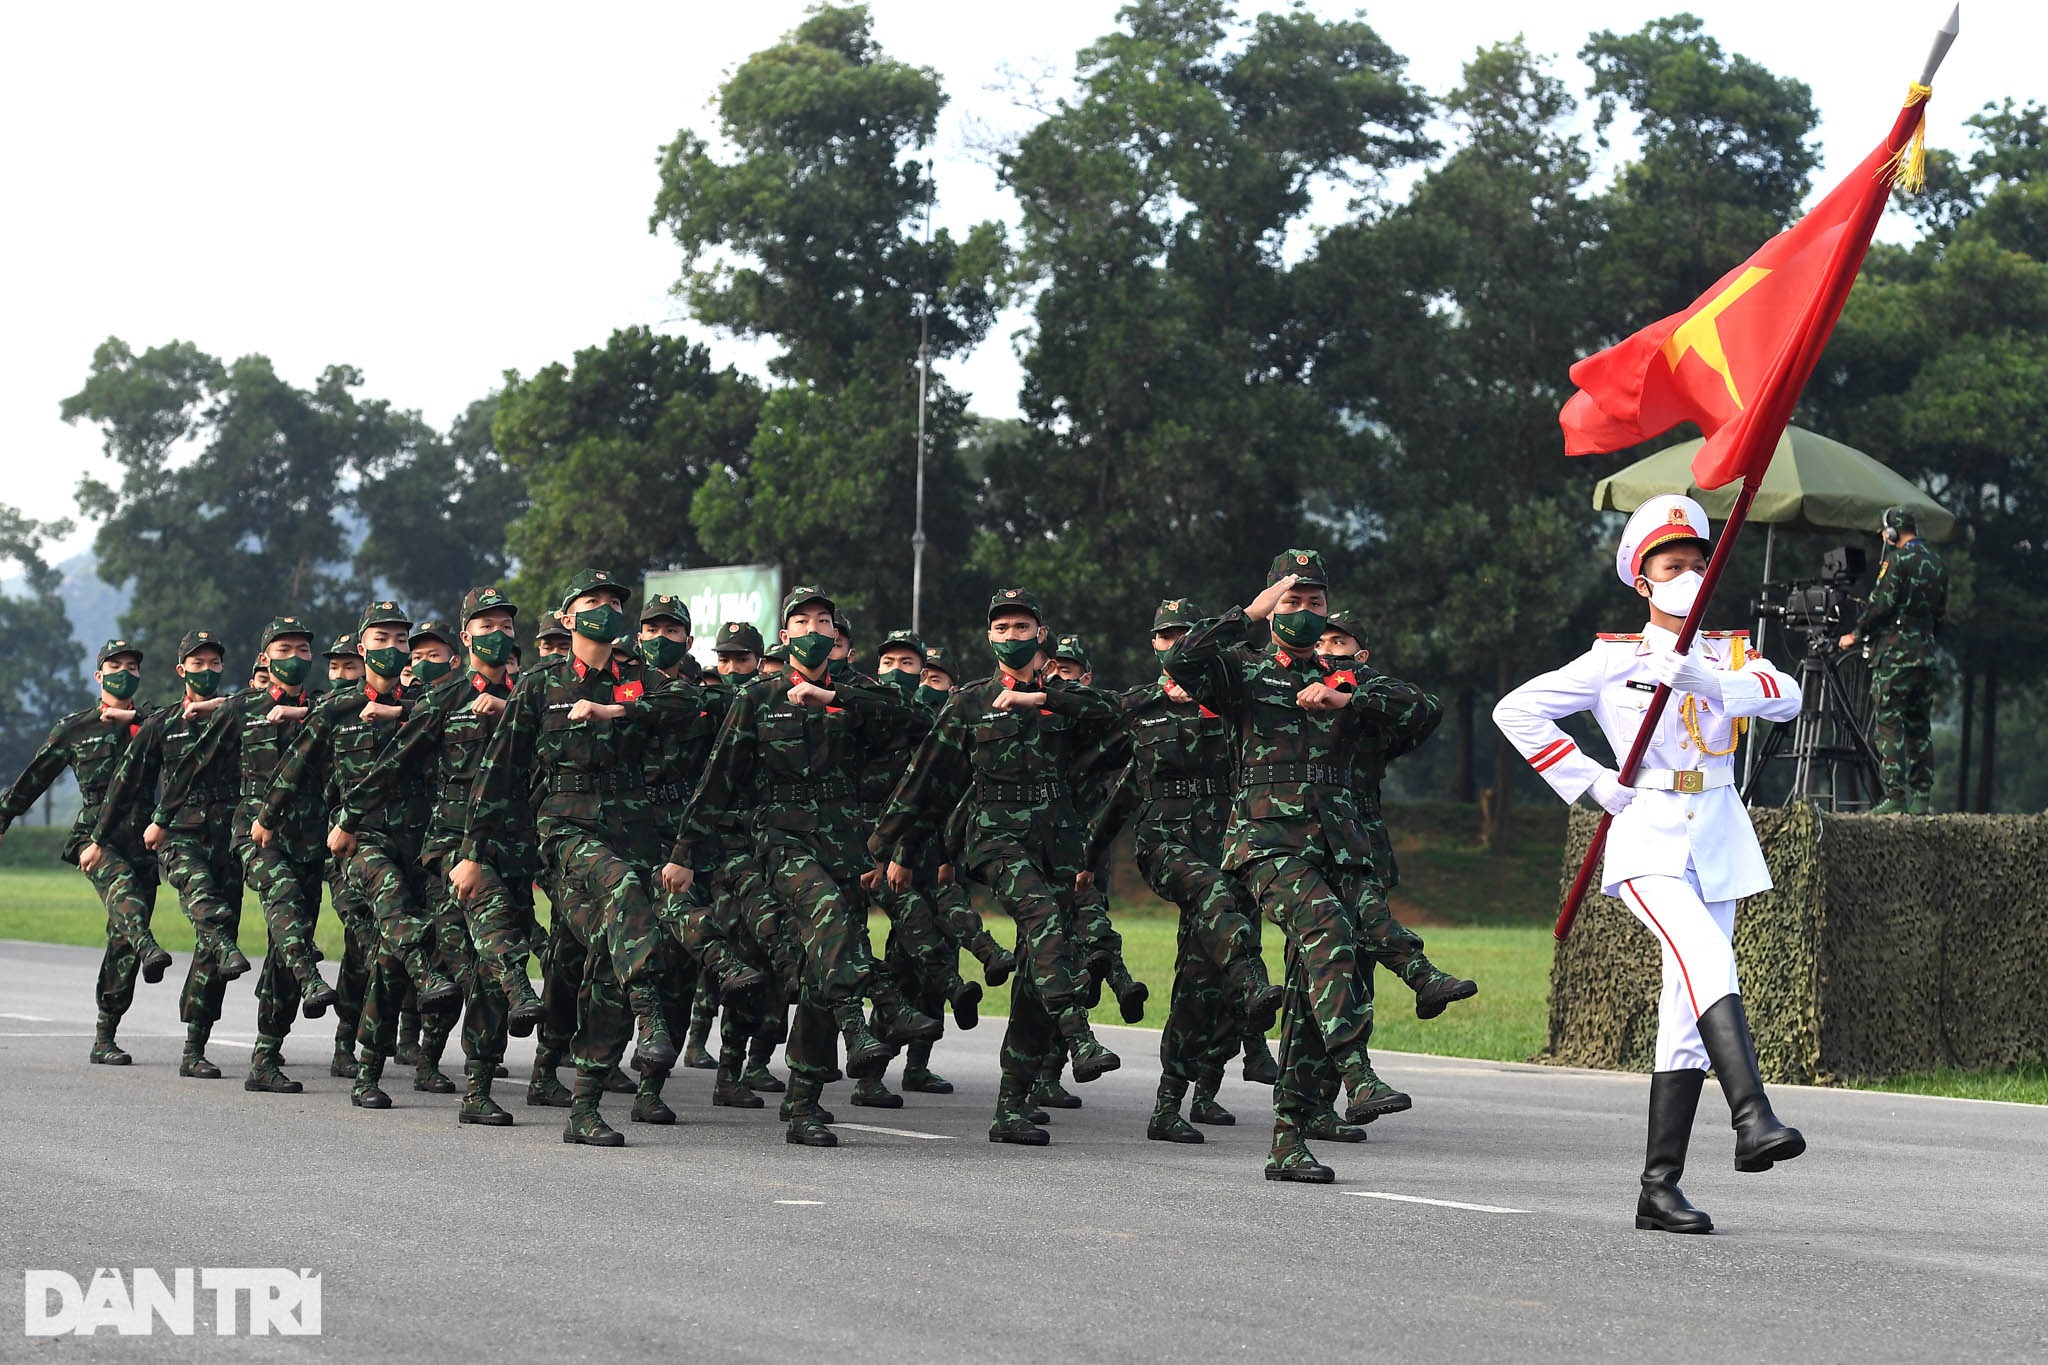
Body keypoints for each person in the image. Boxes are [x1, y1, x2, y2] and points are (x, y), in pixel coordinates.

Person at [1494, 493, 1808, 1234]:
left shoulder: (1729, 651)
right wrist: (1593, 780)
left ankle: (1657, 1187)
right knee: (1704, 953)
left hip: (1720, 834)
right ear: (1642, 579)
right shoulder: (1613, 659)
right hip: (1649, 837)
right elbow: (1518, 710)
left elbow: (1788, 697)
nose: (1689, 575)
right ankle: (1752, 1112)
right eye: (1673, 565)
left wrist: (1715, 683)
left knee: (1686, 1012)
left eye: (1699, 563)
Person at [1162, 551, 1442, 1183]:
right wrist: (1247, 613)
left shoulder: (1343, 680)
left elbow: (1423, 710)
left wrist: (1347, 697)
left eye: (1315, 603)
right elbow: (1183, 661)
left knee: (1311, 984)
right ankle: (1358, 1073)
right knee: (1329, 932)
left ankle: (1288, 1140)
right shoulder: (1243, 672)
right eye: (1292, 601)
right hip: (1264, 843)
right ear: (1271, 610)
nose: (1306, 613)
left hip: (1334, 847)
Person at [666, 586, 936, 1148]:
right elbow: (720, 778)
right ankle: (877, 1009)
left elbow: (917, 721)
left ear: (836, 637)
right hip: (780, 838)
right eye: (801, 621)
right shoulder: (759, 696)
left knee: (822, 966)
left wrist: (836, 697)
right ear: (784, 636)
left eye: (823, 621)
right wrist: (684, 854)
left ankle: (804, 1100)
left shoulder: (858, 694)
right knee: (831, 920)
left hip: (845, 841)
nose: (813, 629)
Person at [874, 587, 1124, 1147]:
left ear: (1042, 634)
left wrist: (1048, 701)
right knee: (1044, 924)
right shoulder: (967, 703)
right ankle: (1079, 1036)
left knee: (1040, 967)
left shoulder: (1067, 699)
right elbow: (925, 781)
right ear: (989, 637)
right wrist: (888, 848)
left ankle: (1012, 1103)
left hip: (1058, 846)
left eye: (1022, 627)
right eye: (1002, 629)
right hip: (996, 839)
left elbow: (1118, 716)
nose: (1012, 637)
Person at [457, 568, 699, 1147]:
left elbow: (692, 706)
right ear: (567, 618)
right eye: (592, 602)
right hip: (567, 835)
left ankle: (584, 1104)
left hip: (635, 834)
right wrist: (473, 853)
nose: (605, 610)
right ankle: (650, 1011)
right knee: (624, 892)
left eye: (614, 602)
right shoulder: (540, 685)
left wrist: (621, 711)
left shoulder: (644, 679)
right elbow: (500, 775)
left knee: (605, 960)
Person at [1080, 598, 1286, 1144]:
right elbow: (1116, 786)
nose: (1174, 644)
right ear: (1154, 644)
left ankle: (1176, 1101)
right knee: (1221, 913)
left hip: (1226, 848)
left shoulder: (1230, 703)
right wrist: (1084, 859)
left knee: (1200, 981)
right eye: (1165, 636)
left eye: (1184, 636)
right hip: (1165, 846)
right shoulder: (1139, 707)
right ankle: (1255, 991)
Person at [162, 616, 342, 1092]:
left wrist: (301, 715)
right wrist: (162, 820)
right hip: (255, 835)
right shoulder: (241, 710)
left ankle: (266, 1055)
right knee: (274, 909)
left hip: (307, 840)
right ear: (265, 659)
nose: (296, 659)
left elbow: (380, 707)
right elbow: (193, 766)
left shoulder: (327, 708)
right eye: (285, 650)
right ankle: (196, 1043)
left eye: (304, 651)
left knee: (286, 939)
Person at [1, 638, 167, 1065]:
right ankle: (149, 944)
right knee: (125, 894)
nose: (124, 672)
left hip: (143, 840)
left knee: (122, 939)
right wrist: (4, 817)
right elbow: (35, 777)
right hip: (94, 838)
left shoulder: (152, 724)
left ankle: (104, 1035)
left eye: (132, 666)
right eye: (116, 665)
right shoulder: (75, 728)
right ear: (99, 676)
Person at [85, 630, 242, 1079]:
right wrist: (98, 837)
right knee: (205, 910)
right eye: (198, 664)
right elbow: (126, 784)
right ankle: (106, 1030)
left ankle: (195, 1047)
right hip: (179, 836)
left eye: (214, 664)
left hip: (227, 840)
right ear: (181, 671)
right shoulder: (162, 724)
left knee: (215, 943)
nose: (207, 671)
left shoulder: (236, 715)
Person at [1838, 506, 1947, 814]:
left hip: (1895, 656)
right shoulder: (1937, 565)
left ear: (1892, 532)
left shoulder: (1897, 562)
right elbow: (1939, 615)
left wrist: (1855, 636)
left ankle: (1895, 796)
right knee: (1919, 727)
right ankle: (1922, 797)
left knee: (1889, 723)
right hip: (1925, 656)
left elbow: (1880, 606)